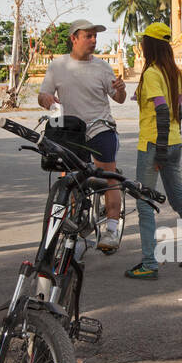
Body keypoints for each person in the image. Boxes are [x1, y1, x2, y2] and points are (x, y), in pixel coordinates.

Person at [124, 22, 182, 280]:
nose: (141, 44)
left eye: (144, 40)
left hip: (153, 145)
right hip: (174, 141)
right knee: (178, 199)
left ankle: (149, 262)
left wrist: (159, 152)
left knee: (145, 203)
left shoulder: (151, 73)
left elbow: (161, 110)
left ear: (150, 45)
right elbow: (176, 110)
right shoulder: (174, 72)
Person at [37, 19, 127, 252]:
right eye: (88, 36)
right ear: (73, 38)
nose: (93, 40)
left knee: (109, 177)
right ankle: (77, 222)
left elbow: (119, 98)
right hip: (71, 132)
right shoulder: (58, 66)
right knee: (72, 179)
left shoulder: (103, 67)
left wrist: (120, 89)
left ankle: (112, 229)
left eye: (95, 36)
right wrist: (46, 99)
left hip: (100, 127)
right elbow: (43, 94)